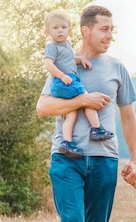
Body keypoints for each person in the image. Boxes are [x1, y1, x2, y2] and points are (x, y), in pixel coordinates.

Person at [36, 5, 136, 222]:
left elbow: (128, 115)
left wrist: (135, 157)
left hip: (104, 159)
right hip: (67, 159)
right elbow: (43, 107)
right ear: (85, 30)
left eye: (111, 29)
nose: (110, 35)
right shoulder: (63, 61)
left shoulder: (116, 68)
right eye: (104, 29)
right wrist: (82, 100)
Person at [43, 9, 114, 159]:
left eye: (63, 27)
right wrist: (62, 76)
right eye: (55, 28)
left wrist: (79, 60)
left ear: (69, 30)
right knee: (88, 100)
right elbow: (48, 64)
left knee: (71, 114)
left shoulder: (66, 45)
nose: (60, 31)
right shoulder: (53, 46)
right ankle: (96, 129)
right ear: (47, 31)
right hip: (65, 81)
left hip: (66, 81)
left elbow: (67, 60)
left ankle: (67, 142)